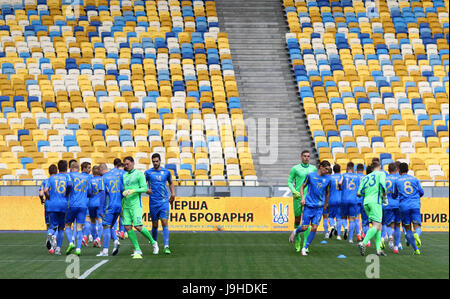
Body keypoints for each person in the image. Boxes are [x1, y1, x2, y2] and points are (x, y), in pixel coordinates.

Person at [289, 160, 331, 256]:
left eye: (328, 169)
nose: (327, 171)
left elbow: (328, 192)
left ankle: (305, 248)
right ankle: (295, 231)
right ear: (321, 167)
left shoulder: (328, 179)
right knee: (304, 227)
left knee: (314, 227)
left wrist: (326, 204)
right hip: (309, 205)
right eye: (326, 169)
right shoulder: (311, 175)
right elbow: (302, 187)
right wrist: (302, 197)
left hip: (319, 207)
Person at [122, 156, 158, 259]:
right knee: (127, 227)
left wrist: (133, 191)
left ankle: (153, 242)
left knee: (138, 226)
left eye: (127, 164)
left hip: (136, 204)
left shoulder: (139, 174)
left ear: (133, 163)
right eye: (125, 164)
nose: (126, 166)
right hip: (126, 204)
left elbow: (144, 188)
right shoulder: (124, 176)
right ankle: (137, 249)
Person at [145, 153, 176, 254]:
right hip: (153, 202)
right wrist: (146, 189)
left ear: (160, 161)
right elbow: (142, 184)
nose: (155, 163)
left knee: (164, 222)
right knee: (154, 224)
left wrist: (173, 194)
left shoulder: (166, 172)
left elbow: (171, 183)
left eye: (157, 161)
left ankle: (166, 246)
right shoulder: (148, 173)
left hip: (164, 202)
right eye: (153, 161)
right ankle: (155, 245)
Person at [287, 150, 316, 252]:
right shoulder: (295, 168)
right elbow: (290, 181)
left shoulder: (313, 169)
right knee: (297, 220)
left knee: (307, 222)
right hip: (297, 197)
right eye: (304, 156)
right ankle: (298, 239)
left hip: (309, 199)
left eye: (308, 156)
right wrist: (294, 191)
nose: (306, 158)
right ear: (301, 157)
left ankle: (305, 245)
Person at [392, 163, 424, 255]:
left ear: (399, 170)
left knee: (407, 228)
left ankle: (416, 250)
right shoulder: (415, 179)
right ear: (408, 170)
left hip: (404, 206)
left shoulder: (397, 181)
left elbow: (394, 195)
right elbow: (421, 192)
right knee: (417, 226)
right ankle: (417, 234)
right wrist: (415, 197)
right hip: (415, 205)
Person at [357, 161, 387, 256]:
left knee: (378, 226)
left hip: (366, 202)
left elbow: (359, 193)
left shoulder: (365, 177)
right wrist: (384, 195)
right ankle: (363, 243)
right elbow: (382, 185)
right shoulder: (381, 174)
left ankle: (378, 250)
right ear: (379, 167)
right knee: (376, 225)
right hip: (375, 202)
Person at [44, 160, 72, 255]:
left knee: (52, 226)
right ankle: (58, 249)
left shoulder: (51, 178)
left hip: (52, 205)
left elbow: (45, 190)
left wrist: (49, 197)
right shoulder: (67, 176)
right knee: (61, 228)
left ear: (58, 167)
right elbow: (69, 185)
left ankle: (50, 233)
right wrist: (67, 193)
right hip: (63, 204)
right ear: (66, 167)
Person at [65, 162, 92, 256]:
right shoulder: (86, 177)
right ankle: (78, 249)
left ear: (71, 168)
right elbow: (89, 192)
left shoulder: (69, 175)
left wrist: (66, 193)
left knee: (68, 225)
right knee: (79, 227)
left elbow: (68, 185)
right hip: (83, 205)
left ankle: (71, 243)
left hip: (72, 204)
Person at [97, 164, 123, 256]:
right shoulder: (117, 177)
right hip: (118, 205)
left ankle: (105, 251)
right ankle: (116, 241)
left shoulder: (103, 178)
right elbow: (122, 191)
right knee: (111, 226)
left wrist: (101, 209)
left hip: (109, 206)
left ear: (101, 169)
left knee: (106, 227)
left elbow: (103, 194)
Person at [339, 162, 361, 243]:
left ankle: (345, 228)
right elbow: (359, 189)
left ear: (347, 168)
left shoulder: (343, 175)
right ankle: (351, 239)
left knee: (344, 217)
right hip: (353, 199)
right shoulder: (357, 176)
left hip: (344, 199)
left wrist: (341, 188)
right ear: (353, 169)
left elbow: (340, 183)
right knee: (352, 219)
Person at [383, 163, 401, 253]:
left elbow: (382, 192)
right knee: (397, 225)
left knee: (389, 224)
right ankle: (396, 247)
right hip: (398, 204)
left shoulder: (384, 179)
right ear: (396, 169)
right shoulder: (399, 179)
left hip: (387, 204)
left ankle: (390, 235)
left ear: (388, 170)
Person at [40, 164, 57, 252]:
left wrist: (42, 199)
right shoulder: (56, 180)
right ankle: (54, 237)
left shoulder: (45, 181)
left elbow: (40, 193)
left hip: (47, 205)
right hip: (57, 204)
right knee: (57, 225)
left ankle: (50, 244)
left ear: (49, 171)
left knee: (48, 224)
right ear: (56, 171)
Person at [88, 165, 105, 248]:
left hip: (91, 203)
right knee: (100, 221)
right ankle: (98, 238)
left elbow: (88, 192)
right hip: (99, 203)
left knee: (92, 221)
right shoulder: (101, 180)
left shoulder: (90, 180)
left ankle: (95, 238)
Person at [327, 164, 342, 240]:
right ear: (340, 170)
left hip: (332, 199)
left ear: (333, 170)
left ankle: (332, 226)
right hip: (340, 199)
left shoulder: (330, 178)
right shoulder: (342, 177)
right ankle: (339, 236)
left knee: (330, 216)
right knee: (339, 218)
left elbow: (327, 189)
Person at [80, 162, 93, 245]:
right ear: (84, 168)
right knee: (88, 220)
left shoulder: (78, 177)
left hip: (78, 202)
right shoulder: (89, 177)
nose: (90, 169)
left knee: (78, 222)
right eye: (88, 168)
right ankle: (85, 237)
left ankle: (77, 238)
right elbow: (90, 190)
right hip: (87, 201)